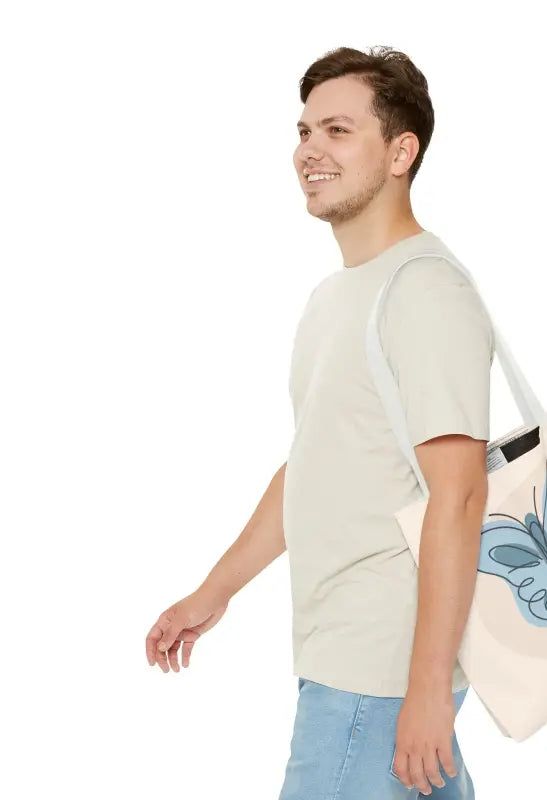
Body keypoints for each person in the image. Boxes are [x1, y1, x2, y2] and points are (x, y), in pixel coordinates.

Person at [145, 45, 494, 799]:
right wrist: (214, 592)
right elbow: (315, 466)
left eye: (338, 130)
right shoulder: (337, 298)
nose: (310, 150)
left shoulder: (424, 291)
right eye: (304, 131)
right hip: (348, 660)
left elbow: (461, 494)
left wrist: (427, 690)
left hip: (377, 673)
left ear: (401, 153)